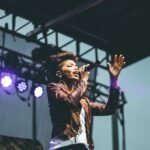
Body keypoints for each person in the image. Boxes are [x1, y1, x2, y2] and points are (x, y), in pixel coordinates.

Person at [47, 51, 125, 150]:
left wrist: (114, 79)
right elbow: (69, 101)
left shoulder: (84, 102)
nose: (75, 68)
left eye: (76, 66)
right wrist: (83, 81)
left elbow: (109, 109)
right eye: (70, 66)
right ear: (59, 73)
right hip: (64, 146)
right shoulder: (53, 88)